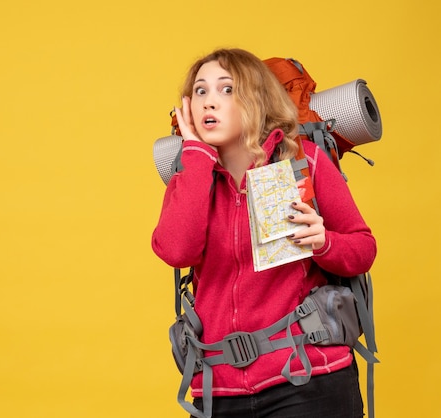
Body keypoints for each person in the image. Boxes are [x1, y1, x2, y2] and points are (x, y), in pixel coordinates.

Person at [151, 48, 376, 417]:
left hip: (308, 377)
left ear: (255, 98)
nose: (210, 102)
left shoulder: (302, 160)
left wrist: (324, 242)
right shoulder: (188, 179)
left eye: (226, 89)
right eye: (201, 92)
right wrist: (196, 157)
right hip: (219, 390)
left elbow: (363, 249)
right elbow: (177, 251)